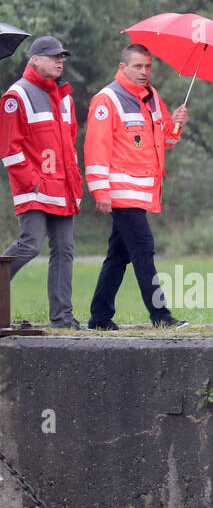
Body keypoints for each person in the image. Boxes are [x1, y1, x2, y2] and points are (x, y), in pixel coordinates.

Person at [84, 44, 187, 330]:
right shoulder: (107, 100)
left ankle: (100, 317)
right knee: (144, 250)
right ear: (123, 67)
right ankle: (161, 316)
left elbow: (164, 140)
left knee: (118, 256)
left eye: (148, 67)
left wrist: (175, 125)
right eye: (138, 66)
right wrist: (101, 191)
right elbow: (95, 149)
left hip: (140, 194)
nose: (144, 72)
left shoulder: (152, 97)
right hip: (120, 192)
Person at [0, 36, 83, 330]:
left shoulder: (66, 97)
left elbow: (69, 148)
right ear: (34, 60)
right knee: (31, 245)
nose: (60, 61)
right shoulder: (16, 95)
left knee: (65, 250)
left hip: (62, 190)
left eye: (62, 56)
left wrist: (74, 186)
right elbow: (9, 150)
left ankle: (62, 318)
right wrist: (33, 183)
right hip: (33, 190)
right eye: (52, 56)